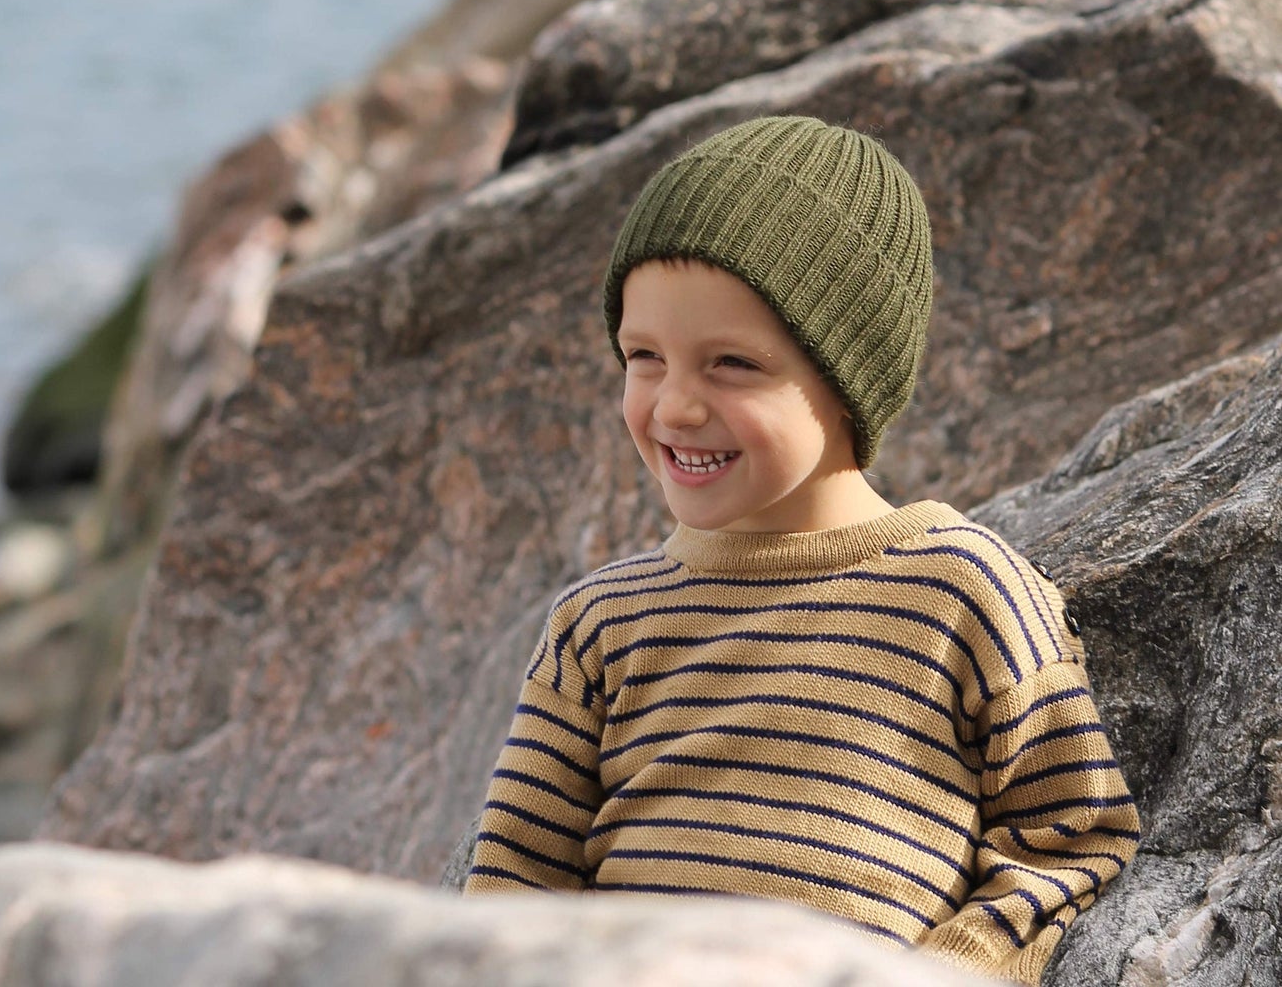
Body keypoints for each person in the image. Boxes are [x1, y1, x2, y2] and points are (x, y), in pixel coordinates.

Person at [463, 115, 1139, 981]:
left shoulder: (963, 591)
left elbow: (1072, 836)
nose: (673, 407)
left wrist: (951, 972)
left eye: (730, 364)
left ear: (847, 373)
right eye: (643, 356)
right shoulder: (599, 623)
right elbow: (515, 881)